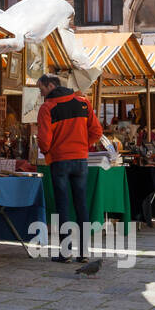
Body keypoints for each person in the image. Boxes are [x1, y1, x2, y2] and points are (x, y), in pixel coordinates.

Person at [37, 74, 103, 263]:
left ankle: (65, 252)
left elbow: (44, 141)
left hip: (60, 161)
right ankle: (83, 252)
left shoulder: (47, 108)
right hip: (81, 160)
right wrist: (82, 145)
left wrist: (48, 150)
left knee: (63, 206)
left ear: (50, 86)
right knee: (81, 205)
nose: (41, 94)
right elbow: (97, 131)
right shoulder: (83, 102)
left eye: (41, 89)